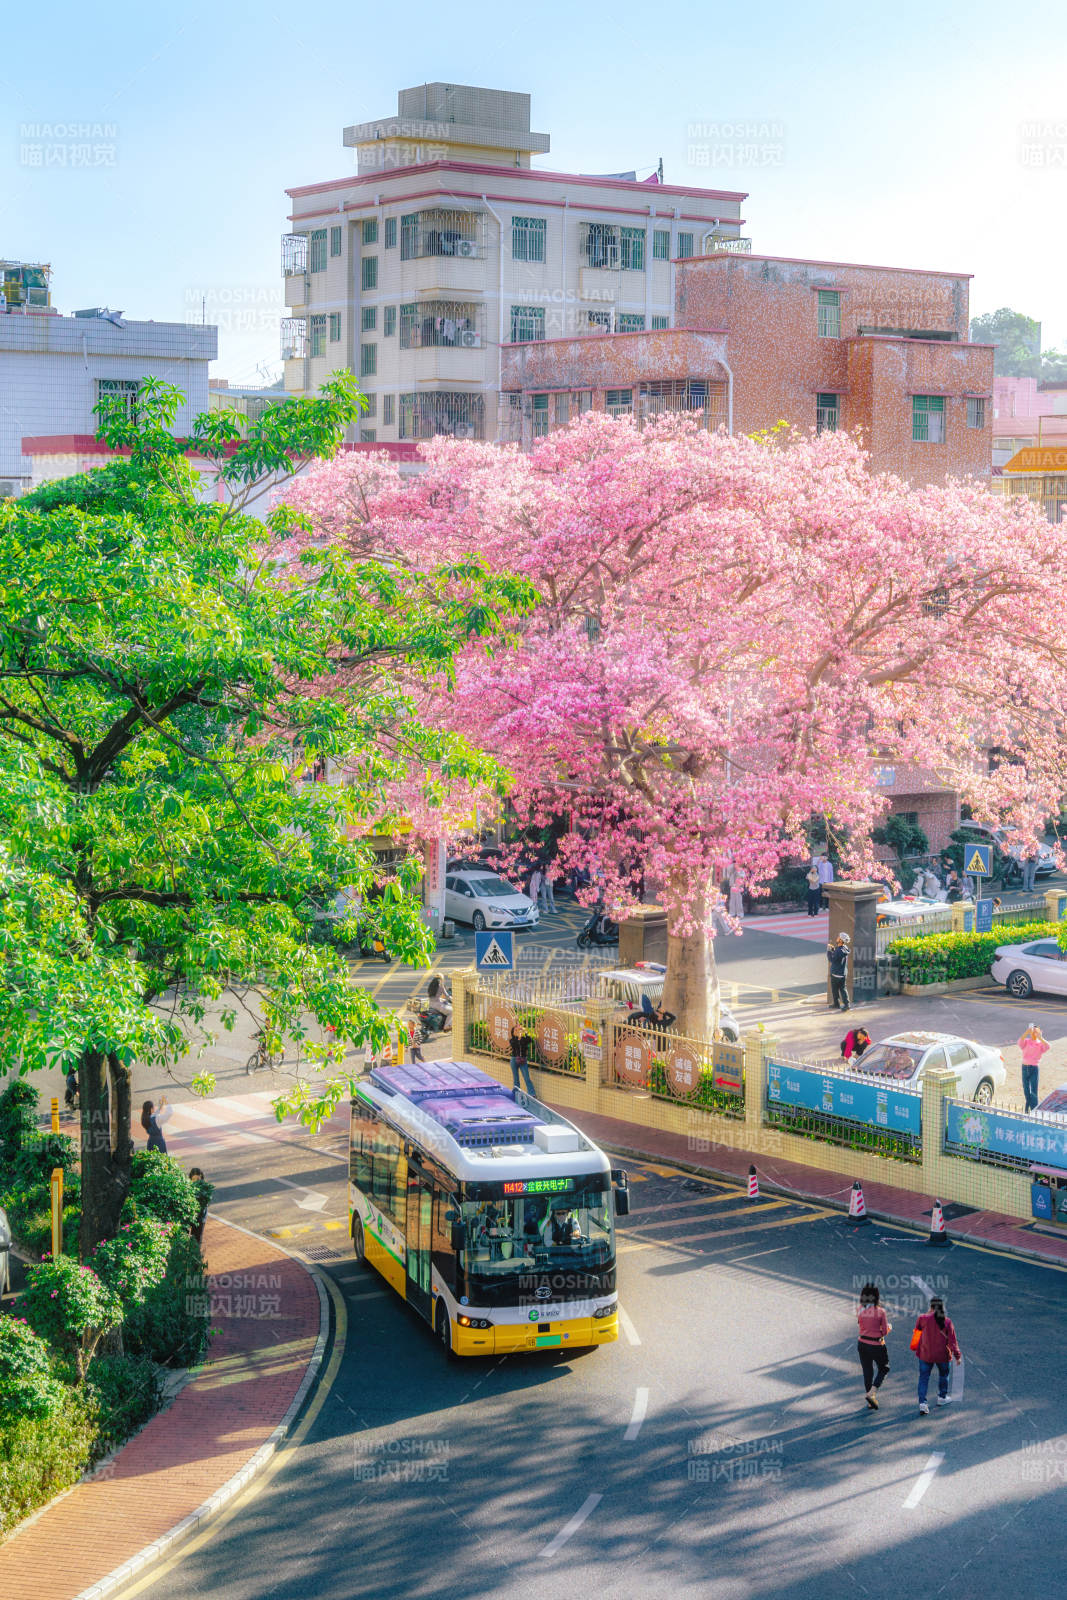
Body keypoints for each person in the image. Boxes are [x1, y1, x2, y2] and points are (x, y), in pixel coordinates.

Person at [912, 1294, 962, 1415]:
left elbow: (917, 1332)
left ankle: (923, 1403)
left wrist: (927, 1314)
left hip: (925, 1354)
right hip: (942, 1355)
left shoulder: (923, 1318)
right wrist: (957, 1356)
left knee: (924, 1378)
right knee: (944, 1375)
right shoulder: (947, 1322)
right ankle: (942, 1397)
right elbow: (952, 1342)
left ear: (931, 1306)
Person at [856, 1283, 892, 1409]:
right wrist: (889, 1327)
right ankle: (872, 1393)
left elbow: (861, 1324)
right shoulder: (881, 1311)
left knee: (867, 1371)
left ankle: (870, 1401)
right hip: (876, 1344)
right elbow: (884, 1332)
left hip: (862, 1343)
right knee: (884, 1368)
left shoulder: (859, 1309)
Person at [1019, 1024, 1049, 1112]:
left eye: (1036, 1031)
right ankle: (1029, 1106)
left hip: (1034, 1068)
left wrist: (1040, 1038)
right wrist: (1027, 1032)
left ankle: (1033, 1110)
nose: (1034, 1033)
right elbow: (1020, 1042)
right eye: (1033, 1031)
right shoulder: (1026, 1041)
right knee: (1026, 1090)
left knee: (1034, 1090)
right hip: (1024, 1067)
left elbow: (1048, 1046)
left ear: (1040, 1032)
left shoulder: (1041, 1044)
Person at [187, 1167, 212, 1247]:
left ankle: (196, 1252)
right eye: (193, 1179)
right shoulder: (187, 1188)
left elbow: (205, 1204)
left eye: (198, 1179)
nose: (196, 1181)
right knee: (184, 1237)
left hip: (200, 1218)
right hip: (189, 1217)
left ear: (201, 1178)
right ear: (190, 1179)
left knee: (197, 1239)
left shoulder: (205, 1190)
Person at [509, 1021, 535, 1095]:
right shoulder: (512, 1040)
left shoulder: (524, 1039)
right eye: (516, 1030)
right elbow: (515, 1045)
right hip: (514, 1060)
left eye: (518, 1030)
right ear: (513, 1032)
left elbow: (530, 1040)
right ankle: (516, 1093)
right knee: (516, 1079)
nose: (517, 1031)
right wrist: (518, 1037)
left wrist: (525, 1031)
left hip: (523, 1060)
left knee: (527, 1078)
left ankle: (532, 1094)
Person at [827, 933, 851, 1012]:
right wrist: (833, 950)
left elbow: (832, 960)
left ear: (841, 940)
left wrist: (829, 951)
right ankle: (846, 1004)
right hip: (843, 973)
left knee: (835, 990)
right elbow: (838, 955)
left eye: (838, 937)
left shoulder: (838, 950)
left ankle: (837, 1004)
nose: (837, 938)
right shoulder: (845, 948)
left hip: (836, 973)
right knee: (843, 989)